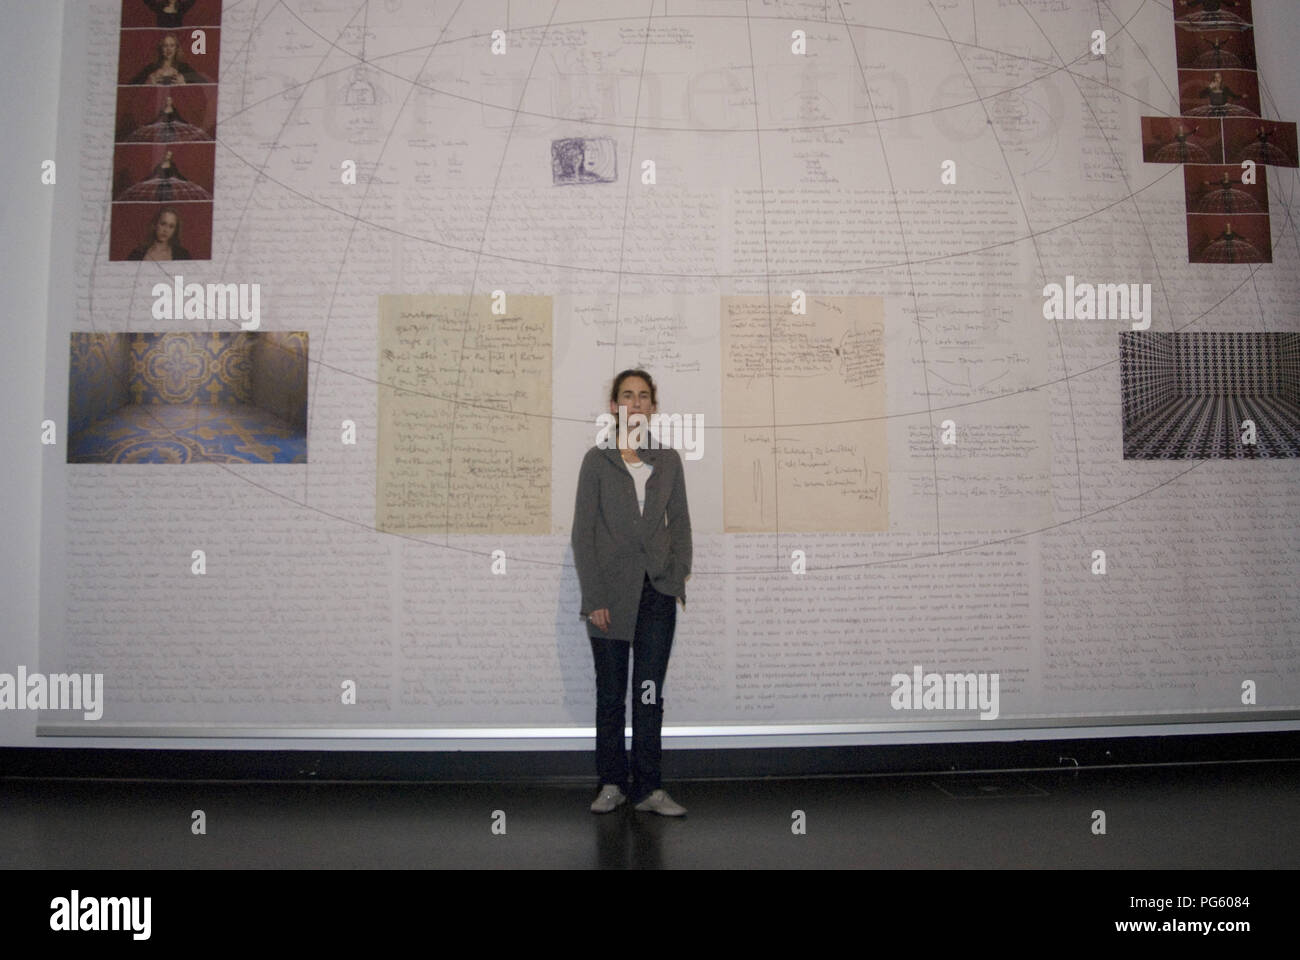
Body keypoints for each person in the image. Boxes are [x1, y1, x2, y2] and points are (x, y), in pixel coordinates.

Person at [571, 369, 692, 816]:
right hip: (609, 597)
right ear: (614, 406)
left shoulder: (669, 460)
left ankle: (648, 789)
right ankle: (611, 783)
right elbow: (583, 535)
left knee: (647, 693)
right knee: (610, 693)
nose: (636, 403)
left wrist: (677, 576)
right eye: (627, 395)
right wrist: (594, 598)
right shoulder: (596, 461)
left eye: (643, 396)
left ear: (653, 407)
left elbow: (679, 524)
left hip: (656, 594)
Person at [128, 33, 209, 85]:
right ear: (160, 48)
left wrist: (185, 83)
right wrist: (146, 83)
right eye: (165, 46)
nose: (169, 49)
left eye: (172, 45)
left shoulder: (184, 68)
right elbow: (130, 86)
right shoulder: (151, 68)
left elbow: (204, 83)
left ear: (176, 48)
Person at [125, 206, 191, 260]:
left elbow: (182, 276)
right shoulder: (137, 254)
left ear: (175, 230)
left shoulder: (182, 255)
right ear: (155, 224)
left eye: (171, 226)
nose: (166, 230)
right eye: (163, 224)